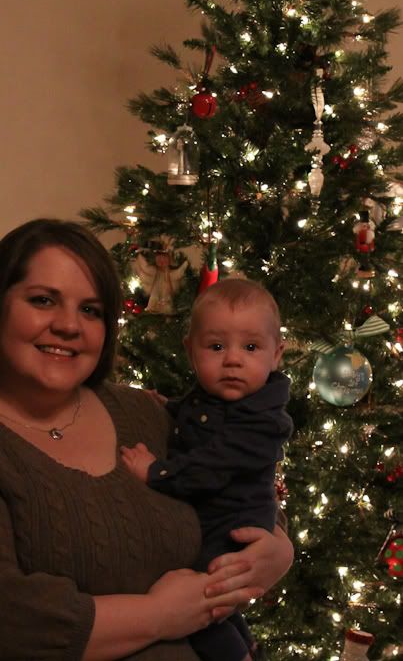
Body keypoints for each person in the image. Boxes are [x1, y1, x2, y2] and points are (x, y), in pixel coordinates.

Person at [0, 219, 294, 661]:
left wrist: (279, 548)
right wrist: (159, 615)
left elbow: (233, 483)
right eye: (43, 300)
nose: (69, 325)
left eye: (90, 310)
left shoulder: (142, 411)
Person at [121, 278, 294, 661]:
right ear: (190, 351)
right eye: (216, 347)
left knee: (203, 605)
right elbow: (195, 415)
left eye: (251, 347)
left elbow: (208, 467)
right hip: (217, 520)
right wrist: (166, 405)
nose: (232, 359)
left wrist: (154, 472)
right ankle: (249, 649)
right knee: (223, 606)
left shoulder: (263, 421)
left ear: (276, 354)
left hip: (234, 526)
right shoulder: (211, 397)